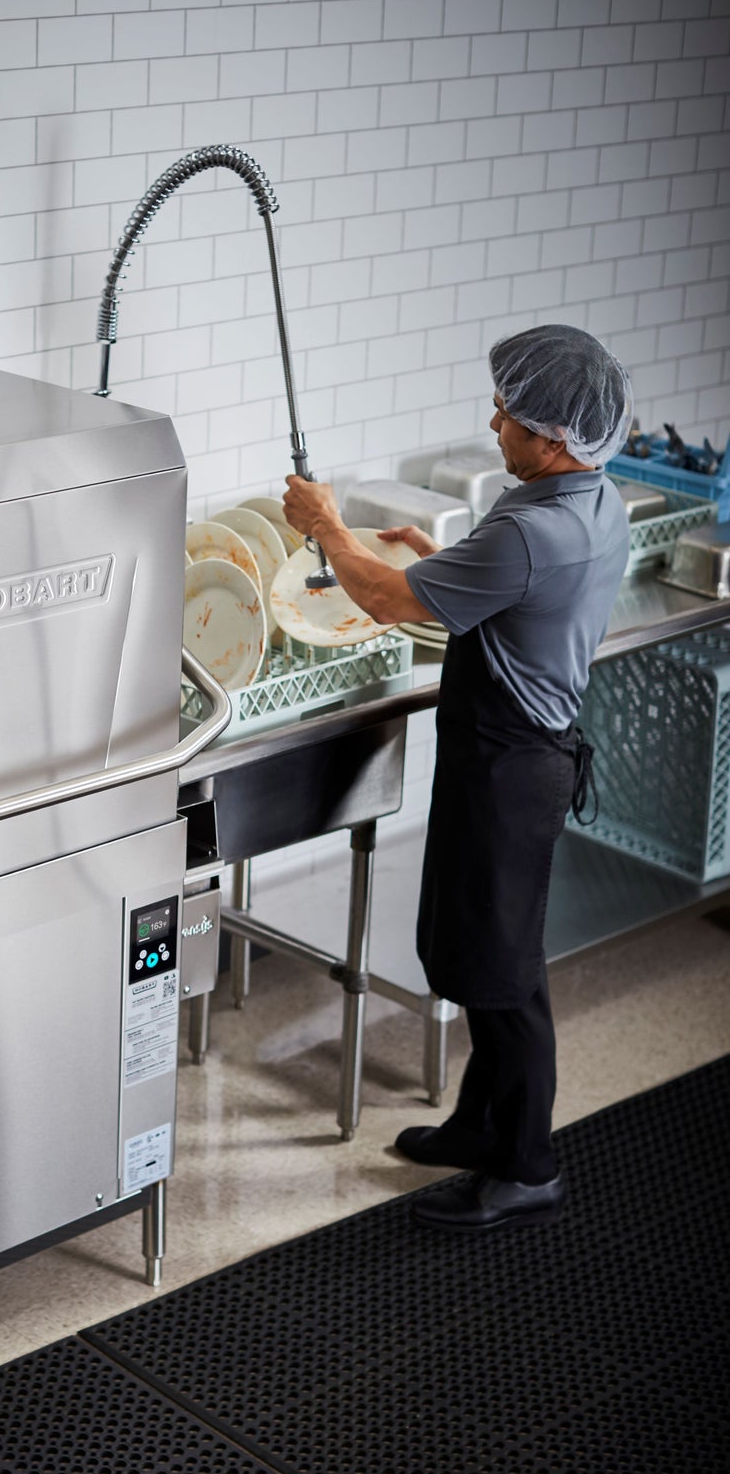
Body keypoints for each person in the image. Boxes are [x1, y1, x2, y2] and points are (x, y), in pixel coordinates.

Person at [283, 325, 632, 1232]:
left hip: (507, 766)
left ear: (555, 437)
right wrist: (433, 546)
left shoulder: (534, 532)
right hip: (521, 757)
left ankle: (528, 1163)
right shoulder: (592, 503)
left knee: (506, 975)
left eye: (510, 414)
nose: (495, 420)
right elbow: (505, 586)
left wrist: (327, 526)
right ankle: (481, 1125)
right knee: (491, 951)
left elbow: (397, 602)